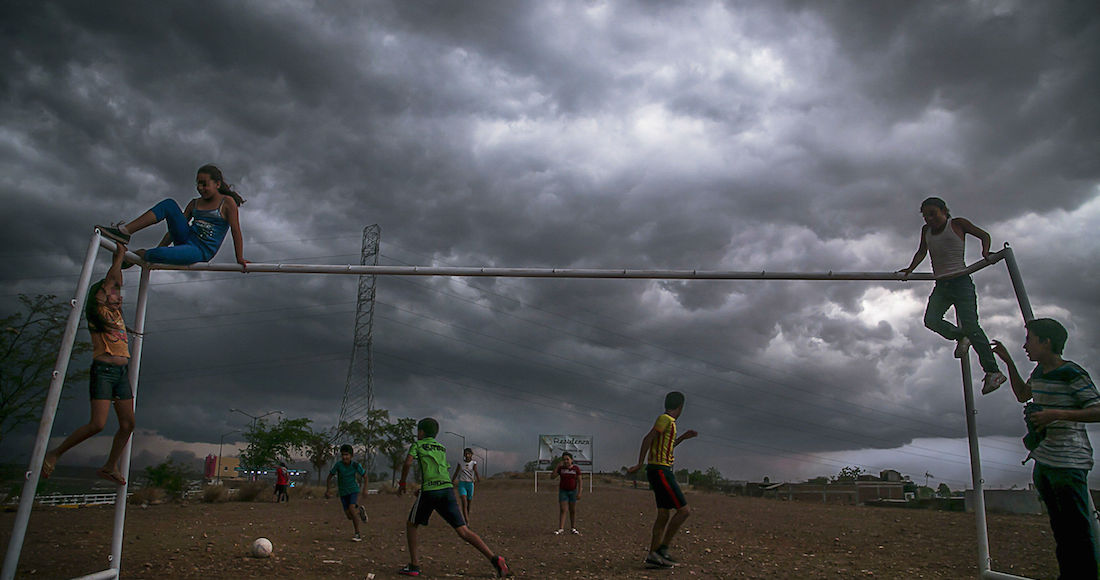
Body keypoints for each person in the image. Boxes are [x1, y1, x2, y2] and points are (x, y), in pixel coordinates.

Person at [991, 318, 1100, 577]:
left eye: (1029, 339)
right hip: (1045, 460)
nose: (1025, 346)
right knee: (1061, 530)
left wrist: (1057, 414)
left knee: (1077, 531)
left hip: (1069, 462)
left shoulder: (1072, 373)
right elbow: (1023, 394)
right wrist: (1008, 362)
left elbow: (1097, 409)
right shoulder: (1039, 372)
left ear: (1046, 342)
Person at [41, 242, 135, 485]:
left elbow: (116, 281)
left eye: (119, 295)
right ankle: (54, 453)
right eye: (113, 293)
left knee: (128, 424)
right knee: (97, 424)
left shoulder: (116, 314)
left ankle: (110, 466)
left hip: (121, 373)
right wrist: (120, 255)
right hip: (104, 372)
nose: (118, 297)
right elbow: (111, 280)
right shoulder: (98, 313)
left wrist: (119, 261)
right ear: (100, 296)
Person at [899, 196, 1006, 394]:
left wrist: (985, 252)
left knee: (972, 326)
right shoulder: (926, 231)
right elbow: (922, 251)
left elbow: (984, 235)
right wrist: (910, 269)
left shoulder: (957, 224)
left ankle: (993, 372)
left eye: (933, 214)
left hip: (961, 282)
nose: (929, 219)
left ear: (944, 211)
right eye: (925, 216)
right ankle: (961, 336)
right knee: (931, 320)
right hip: (942, 284)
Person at [398, 418, 508, 578]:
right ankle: (495, 559)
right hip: (447, 490)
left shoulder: (418, 445)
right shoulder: (441, 448)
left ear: (421, 432)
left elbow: (408, 463)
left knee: (411, 525)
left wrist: (402, 483)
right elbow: (438, 470)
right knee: (463, 531)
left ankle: (414, 565)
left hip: (430, 491)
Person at [96, 164, 248, 268]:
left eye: (204, 184)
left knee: (156, 254)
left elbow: (236, 231)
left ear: (217, 184)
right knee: (169, 204)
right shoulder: (194, 203)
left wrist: (239, 258)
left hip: (200, 250)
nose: (200, 188)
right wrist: (162, 246)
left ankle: (139, 254)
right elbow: (173, 231)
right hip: (186, 237)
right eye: (198, 184)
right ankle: (125, 231)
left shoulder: (227, 203)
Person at [627, 391, 698, 569]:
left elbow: (668, 446)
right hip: (660, 470)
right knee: (684, 511)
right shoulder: (665, 419)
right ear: (680, 407)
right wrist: (639, 463)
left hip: (658, 470)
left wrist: (683, 437)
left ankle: (653, 556)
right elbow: (648, 438)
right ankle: (662, 549)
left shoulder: (670, 424)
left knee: (664, 514)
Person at [324, 445, 368, 542]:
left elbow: (365, 476)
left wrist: (365, 489)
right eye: (343, 455)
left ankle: (357, 534)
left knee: (351, 509)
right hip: (343, 493)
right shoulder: (338, 465)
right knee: (349, 516)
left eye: (347, 455)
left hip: (353, 491)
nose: (345, 457)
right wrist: (328, 490)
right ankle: (359, 511)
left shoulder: (355, 465)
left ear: (351, 456)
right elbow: (329, 477)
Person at [550, 451, 582, 535]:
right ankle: (561, 528)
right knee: (563, 509)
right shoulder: (561, 469)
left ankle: (573, 528)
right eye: (564, 459)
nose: (566, 461)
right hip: (563, 491)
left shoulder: (576, 469)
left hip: (573, 491)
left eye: (567, 459)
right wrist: (557, 466)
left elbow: (580, 481)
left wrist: (579, 492)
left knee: (572, 510)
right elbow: (552, 477)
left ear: (571, 460)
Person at [451, 447, 479, 523]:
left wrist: (478, 480)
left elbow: (476, 471)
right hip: (462, 483)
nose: (467, 455)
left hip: (470, 484)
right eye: (465, 454)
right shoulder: (460, 463)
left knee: (469, 503)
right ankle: (466, 521)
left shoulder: (473, 463)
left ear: (471, 454)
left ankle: (467, 517)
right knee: (464, 501)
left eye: (468, 454)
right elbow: (456, 472)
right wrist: (452, 481)